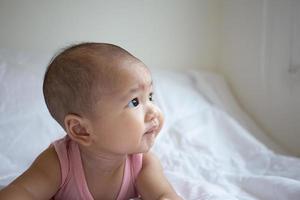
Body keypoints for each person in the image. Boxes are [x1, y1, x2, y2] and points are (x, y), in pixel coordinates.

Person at [0, 43, 182, 200]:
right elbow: (19, 193)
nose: (153, 112)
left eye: (150, 96)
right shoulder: (58, 164)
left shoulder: (143, 164)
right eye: (134, 102)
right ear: (81, 130)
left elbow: (164, 195)